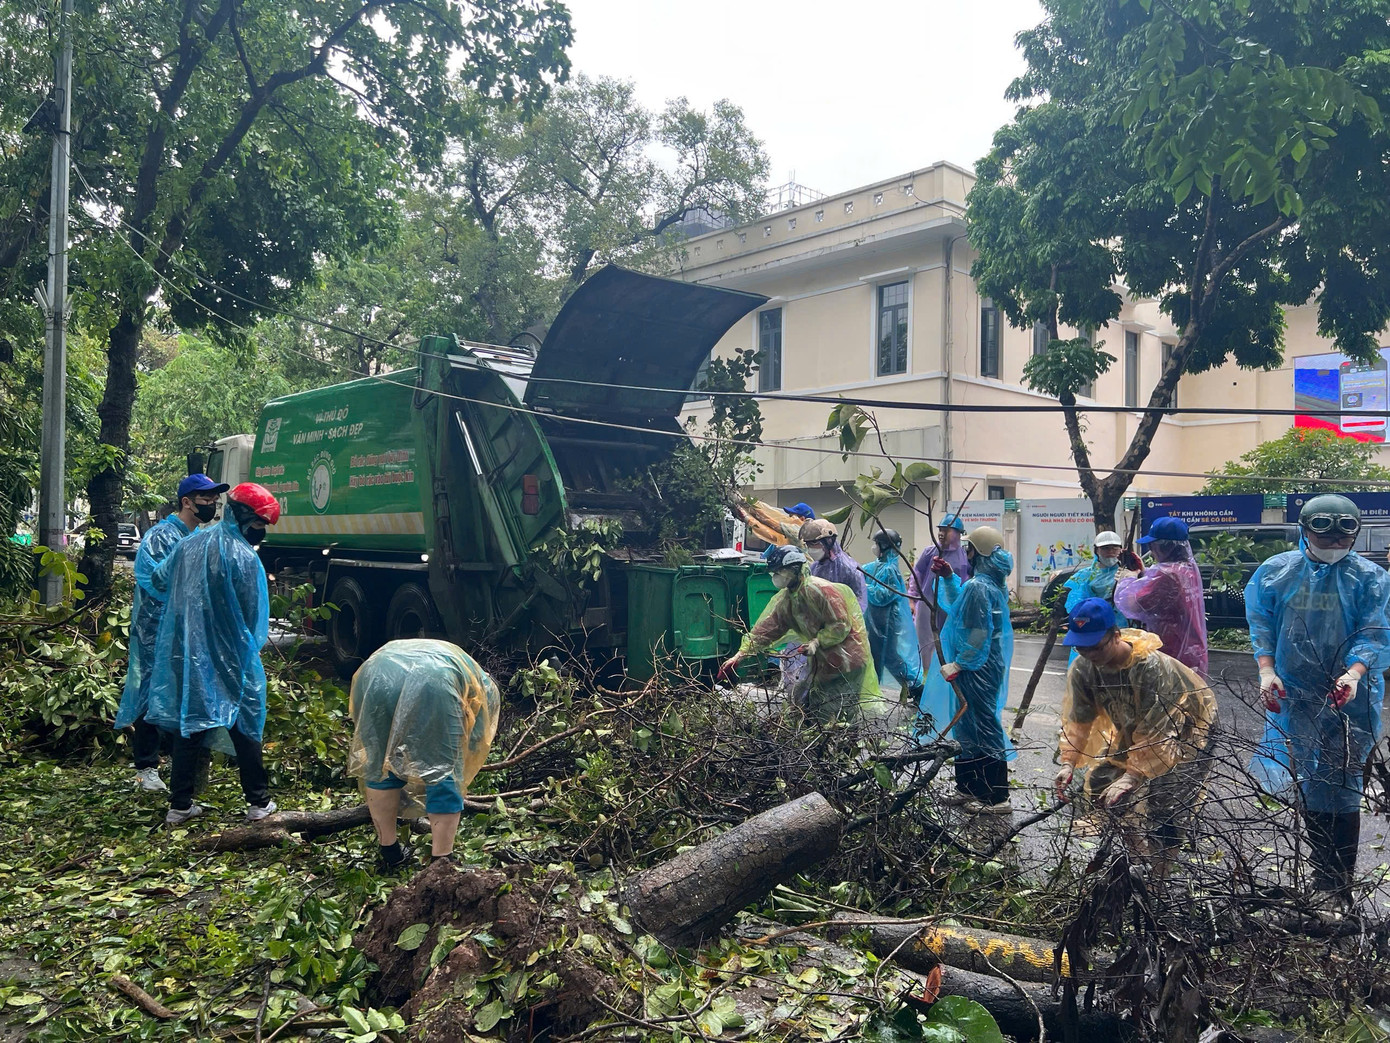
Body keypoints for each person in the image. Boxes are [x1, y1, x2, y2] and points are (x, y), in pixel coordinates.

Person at [1246, 494, 1390, 899]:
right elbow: (1262, 624)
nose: (1334, 545)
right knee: (1312, 780)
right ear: (1304, 531)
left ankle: (1337, 884)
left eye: (1343, 537)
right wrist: (1267, 670)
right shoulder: (1277, 573)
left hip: (1350, 698)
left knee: (1342, 783)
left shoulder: (1370, 579)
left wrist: (1355, 673)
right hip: (1297, 694)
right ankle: (1319, 874)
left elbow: (1376, 632)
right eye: (1324, 535)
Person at [146, 482, 282, 826]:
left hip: (187, 653)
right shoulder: (246, 559)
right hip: (233, 656)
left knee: (190, 723)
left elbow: (158, 581)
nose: (260, 533)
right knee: (244, 721)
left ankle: (179, 805)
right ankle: (258, 801)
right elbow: (253, 617)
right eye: (259, 525)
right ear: (243, 518)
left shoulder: (188, 545)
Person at [1054, 598, 1217, 865]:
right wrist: (1069, 762)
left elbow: (1158, 730)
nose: (1090, 656)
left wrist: (1132, 777)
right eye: (1081, 649)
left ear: (1115, 635)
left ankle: (1158, 881)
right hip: (1138, 729)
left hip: (1187, 730)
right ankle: (1139, 859)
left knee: (1165, 803)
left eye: (1095, 648)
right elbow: (1078, 721)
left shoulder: (1150, 668)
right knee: (1102, 786)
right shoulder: (1084, 668)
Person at [114, 474, 227, 792]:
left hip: (189, 633)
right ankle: (146, 770)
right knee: (152, 694)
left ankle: (184, 774)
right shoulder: (162, 536)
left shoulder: (200, 538)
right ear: (187, 502)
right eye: (206, 498)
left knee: (185, 698)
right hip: (158, 632)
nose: (212, 504)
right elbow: (154, 580)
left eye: (214, 498)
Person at [349, 639, 501, 872]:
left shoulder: (460, 662)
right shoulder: (484, 689)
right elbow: (473, 741)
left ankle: (390, 854)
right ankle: (442, 862)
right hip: (433, 681)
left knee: (380, 765)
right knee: (443, 770)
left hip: (374, 673)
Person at [719, 545, 881, 725]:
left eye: (779, 572)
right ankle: (820, 749)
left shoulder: (821, 590)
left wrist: (817, 642)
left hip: (847, 662)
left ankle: (840, 749)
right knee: (806, 706)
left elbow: (841, 624)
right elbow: (768, 628)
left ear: (794, 569)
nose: (775, 577)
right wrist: (740, 654)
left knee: (836, 716)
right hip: (823, 664)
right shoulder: (788, 599)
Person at [926, 526, 1016, 814]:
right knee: (968, 723)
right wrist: (950, 577)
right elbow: (959, 605)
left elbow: (978, 632)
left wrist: (960, 663)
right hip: (981, 664)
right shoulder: (989, 583)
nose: (966, 552)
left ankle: (996, 797)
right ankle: (969, 787)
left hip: (979, 666)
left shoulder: (980, 586)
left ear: (978, 552)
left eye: (969, 548)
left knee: (985, 725)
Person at [1114, 517, 1208, 675]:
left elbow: (1131, 604)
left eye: (1152, 545)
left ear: (1163, 547)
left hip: (1171, 654)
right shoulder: (1188, 569)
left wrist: (1127, 578)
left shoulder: (1167, 576)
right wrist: (1142, 573)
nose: (1151, 550)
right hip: (1193, 653)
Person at [910, 514, 971, 729]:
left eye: (948, 529)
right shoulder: (930, 552)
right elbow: (916, 575)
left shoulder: (965, 558)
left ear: (958, 533)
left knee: (945, 649)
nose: (942, 533)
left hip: (950, 611)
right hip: (927, 607)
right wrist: (913, 598)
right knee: (925, 647)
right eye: (941, 528)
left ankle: (944, 692)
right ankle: (924, 692)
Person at [861, 528, 924, 702]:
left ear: (884, 546)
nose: (873, 547)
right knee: (881, 657)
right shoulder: (878, 565)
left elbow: (883, 596)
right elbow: (863, 570)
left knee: (889, 658)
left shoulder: (890, 570)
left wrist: (864, 587)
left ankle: (916, 687)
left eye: (876, 544)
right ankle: (913, 687)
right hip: (876, 621)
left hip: (886, 621)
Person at [1061, 530, 1129, 665]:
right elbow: (1075, 605)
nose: (1110, 552)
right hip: (1091, 629)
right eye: (1105, 548)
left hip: (1120, 629)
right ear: (1096, 550)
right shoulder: (1084, 576)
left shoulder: (1127, 573)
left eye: (1114, 548)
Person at [800, 518, 867, 610]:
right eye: (808, 544)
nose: (810, 548)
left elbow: (859, 604)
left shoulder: (849, 568)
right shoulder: (814, 567)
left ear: (828, 541)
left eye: (814, 543)